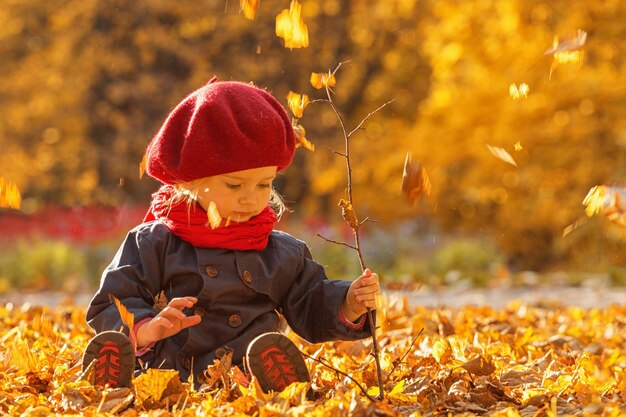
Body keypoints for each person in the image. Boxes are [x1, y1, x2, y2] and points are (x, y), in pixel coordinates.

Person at [82, 77, 381, 393]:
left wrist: (348, 303)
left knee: (262, 359)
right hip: (172, 375)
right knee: (145, 366)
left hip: (248, 373)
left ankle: (276, 381)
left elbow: (309, 300)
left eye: (263, 185)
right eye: (235, 185)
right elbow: (114, 298)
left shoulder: (279, 250)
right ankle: (115, 375)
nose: (250, 198)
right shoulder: (155, 242)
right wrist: (146, 329)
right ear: (193, 180)